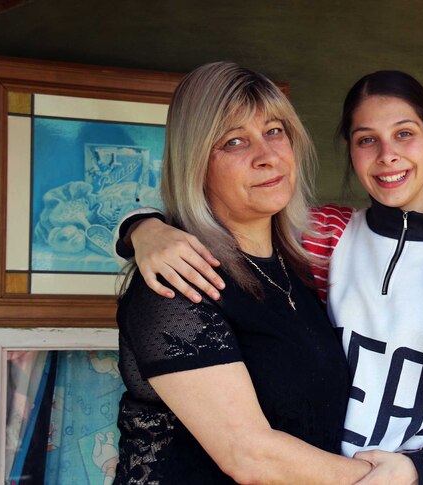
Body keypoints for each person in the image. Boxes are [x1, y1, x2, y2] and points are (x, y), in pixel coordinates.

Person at [118, 70, 423, 484]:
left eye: (404, 134)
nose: (387, 154)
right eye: (366, 139)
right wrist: (143, 227)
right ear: (350, 151)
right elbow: (226, 220)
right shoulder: (323, 239)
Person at [114, 62, 382, 484]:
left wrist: (137, 224)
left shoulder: (300, 265)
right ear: (196, 162)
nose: (267, 156)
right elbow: (249, 455)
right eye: (235, 141)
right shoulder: (177, 280)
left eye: (275, 131)